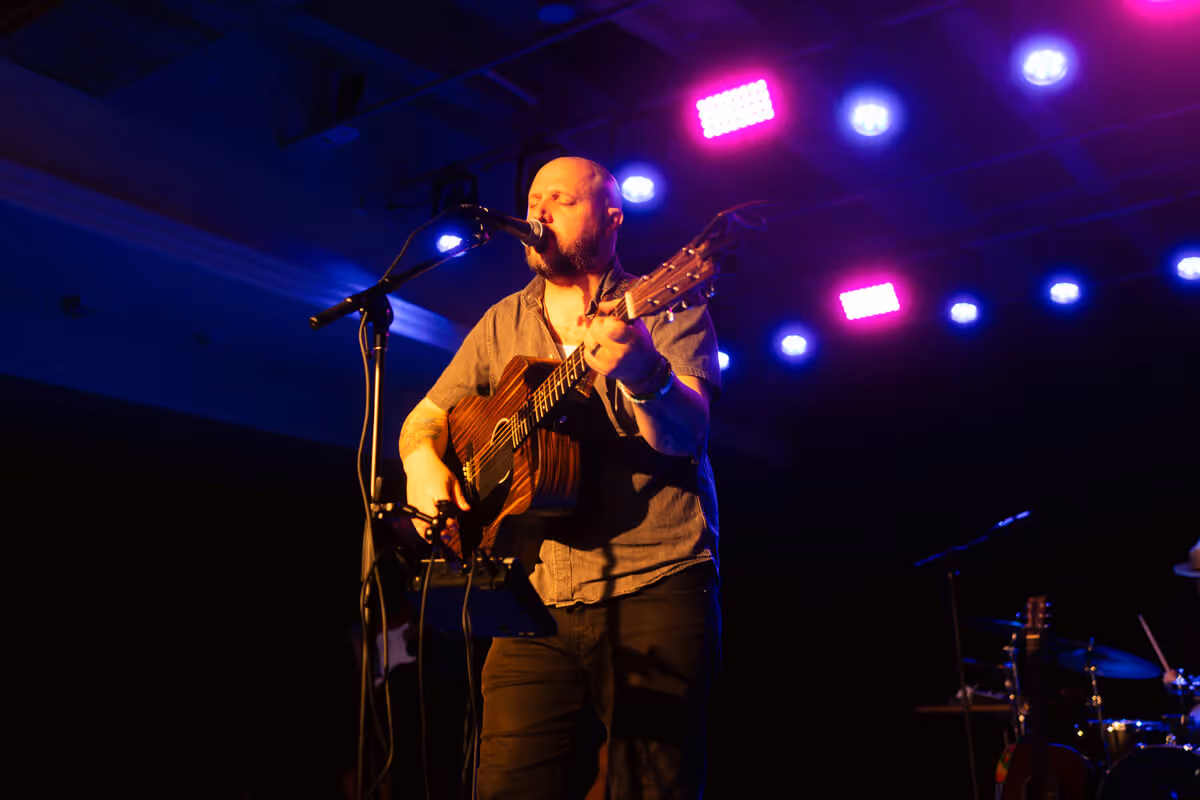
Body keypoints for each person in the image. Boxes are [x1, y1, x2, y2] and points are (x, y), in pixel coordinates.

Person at [398, 156, 722, 800]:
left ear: (612, 218)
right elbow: (422, 422)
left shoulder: (661, 301)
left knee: (651, 787)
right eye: (534, 198)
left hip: (654, 582)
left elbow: (686, 438)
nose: (539, 212)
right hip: (535, 596)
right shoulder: (501, 321)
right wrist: (422, 466)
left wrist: (645, 373)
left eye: (562, 200)